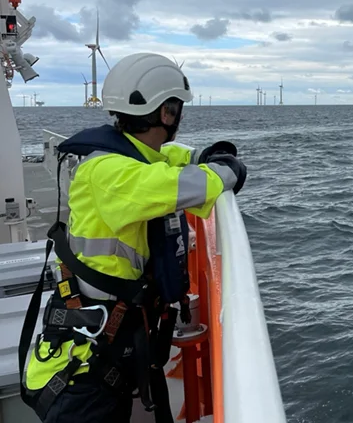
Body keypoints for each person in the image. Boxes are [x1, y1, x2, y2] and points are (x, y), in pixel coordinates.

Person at [19, 53, 247, 423]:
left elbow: (163, 159)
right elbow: (181, 184)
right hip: (83, 372)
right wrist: (226, 168)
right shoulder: (114, 174)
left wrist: (198, 155)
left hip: (104, 347)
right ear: (167, 114)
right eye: (177, 109)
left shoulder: (119, 159)